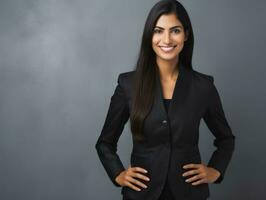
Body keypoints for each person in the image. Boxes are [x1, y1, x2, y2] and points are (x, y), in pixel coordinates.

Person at [95, 0, 235, 199]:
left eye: (175, 31)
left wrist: (216, 170)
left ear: (186, 35)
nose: (166, 39)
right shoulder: (128, 85)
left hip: (189, 194)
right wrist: (118, 174)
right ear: (149, 36)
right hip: (141, 195)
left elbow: (226, 139)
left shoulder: (203, 86)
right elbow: (105, 143)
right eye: (158, 31)